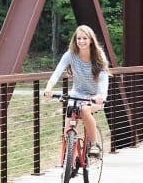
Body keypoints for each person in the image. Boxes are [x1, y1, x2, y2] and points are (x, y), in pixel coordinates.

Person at [44, 25, 109, 157]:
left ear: (91, 40)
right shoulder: (70, 55)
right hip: (76, 94)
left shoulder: (98, 55)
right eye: (79, 38)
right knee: (68, 129)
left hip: (95, 95)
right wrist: (49, 88)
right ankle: (69, 163)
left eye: (85, 38)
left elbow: (103, 78)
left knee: (85, 110)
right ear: (75, 40)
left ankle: (95, 145)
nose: (81, 41)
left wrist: (101, 95)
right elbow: (57, 72)